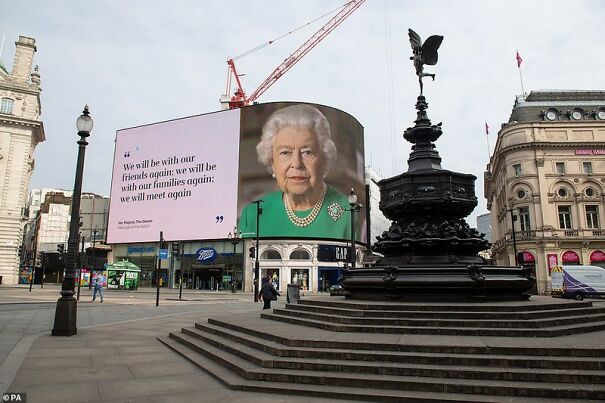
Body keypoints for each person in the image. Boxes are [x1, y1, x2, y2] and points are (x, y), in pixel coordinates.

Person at [239, 104, 353, 239]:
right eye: (285, 152)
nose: (297, 164)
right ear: (272, 162)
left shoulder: (348, 212)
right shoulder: (252, 215)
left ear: (324, 159)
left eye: (307, 152)